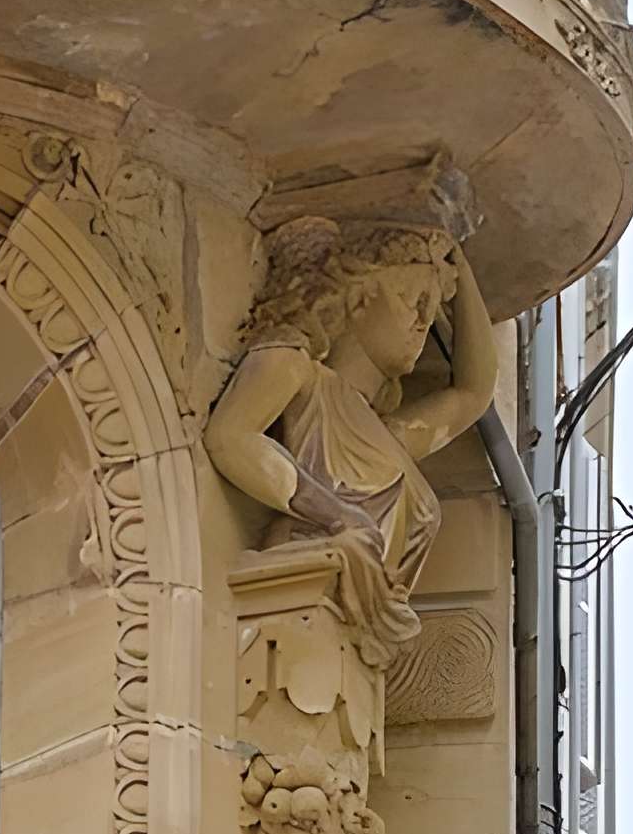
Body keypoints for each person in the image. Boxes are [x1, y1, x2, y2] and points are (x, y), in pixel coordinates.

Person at [205, 216, 496, 663]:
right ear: (360, 299)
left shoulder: (390, 434)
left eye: (431, 307)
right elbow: (229, 436)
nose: (422, 322)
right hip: (291, 606)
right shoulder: (296, 368)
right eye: (413, 300)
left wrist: (460, 259)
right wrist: (337, 514)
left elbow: (474, 393)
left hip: (352, 644)